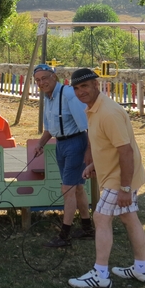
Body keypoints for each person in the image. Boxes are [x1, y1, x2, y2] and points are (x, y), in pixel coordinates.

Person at [68, 68, 145, 288]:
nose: (80, 92)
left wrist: (125, 188)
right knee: (129, 218)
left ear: (97, 84)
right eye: (76, 88)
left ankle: (100, 274)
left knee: (101, 218)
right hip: (119, 176)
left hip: (121, 179)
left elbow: (126, 152)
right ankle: (141, 269)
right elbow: (110, 146)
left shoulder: (108, 112)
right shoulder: (94, 108)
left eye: (84, 86)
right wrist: (96, 164)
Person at [32, 63, 93, 247]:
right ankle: (87, 228)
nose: (42, 82)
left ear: (54, 77)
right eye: (38, 80)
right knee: (78, 188)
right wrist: (40, 143)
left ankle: (64, 236)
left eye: (44, 78)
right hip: (61, 145)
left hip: (76, 143)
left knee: (67, 190)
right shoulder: (48, 98)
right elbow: (50, 128)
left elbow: (86, 125)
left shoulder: (67, 94)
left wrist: (89, 152)